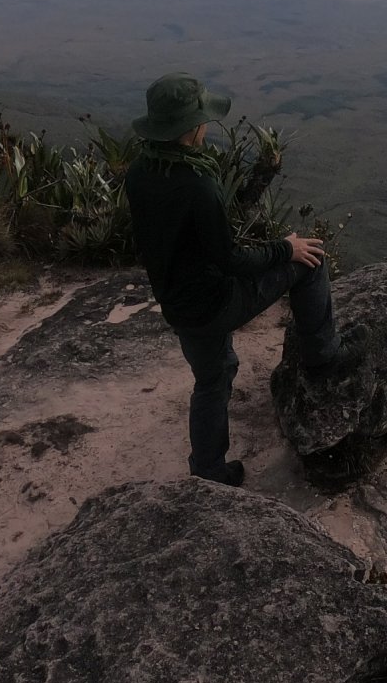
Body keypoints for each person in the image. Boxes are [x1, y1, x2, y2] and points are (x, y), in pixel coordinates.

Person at [123, 72, 347, 486]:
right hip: (216, 302)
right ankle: (323, 359)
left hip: (178, 304)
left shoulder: (140, 172)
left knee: (213, 377)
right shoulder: (198, 186)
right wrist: (285, 249)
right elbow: (230, 260)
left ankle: (208, 470)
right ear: (192, 128)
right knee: (310, 262)